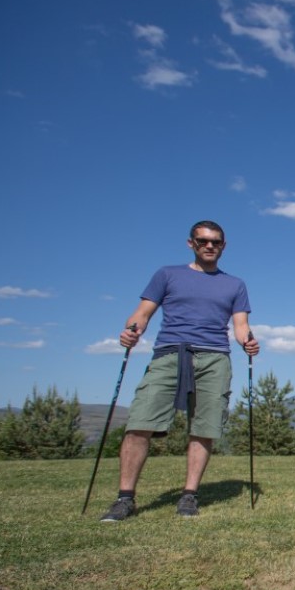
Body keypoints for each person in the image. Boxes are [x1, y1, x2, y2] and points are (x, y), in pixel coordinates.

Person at [100, 221, 259, 522]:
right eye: (203, 241)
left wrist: (248, 342)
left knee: (205, 427)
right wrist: (131, 331)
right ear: (191, 243)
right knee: (139, 422)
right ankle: (125, 498)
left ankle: (189, 495)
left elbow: (241, 326)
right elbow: (142, 313)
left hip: (215, 357)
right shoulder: (167, 274)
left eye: (215, 242)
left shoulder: (235, 284)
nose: (209, 246)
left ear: (223, 246)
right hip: (170, 353)